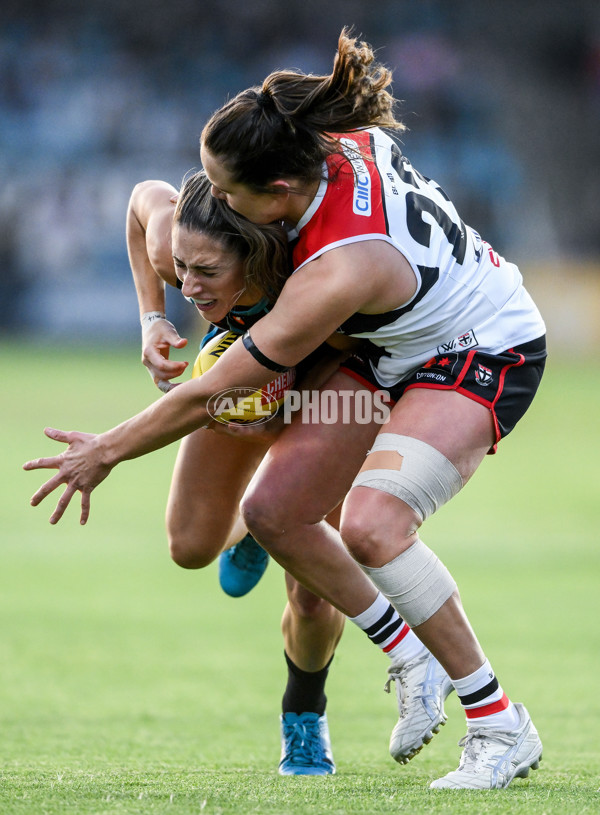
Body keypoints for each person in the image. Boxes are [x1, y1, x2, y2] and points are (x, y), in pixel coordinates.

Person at [24, 29, 546, 789]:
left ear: (278, 196)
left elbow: (208, 391)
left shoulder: (334, 269)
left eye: (228, 194)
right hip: (383, 342)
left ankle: (497, 722)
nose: (214, 203)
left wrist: (104, 449)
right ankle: (405, 652)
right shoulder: (302, 145)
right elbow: (152, 203)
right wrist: (151, 318)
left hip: (476, 347)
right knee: (274, 510)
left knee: (370, 526)